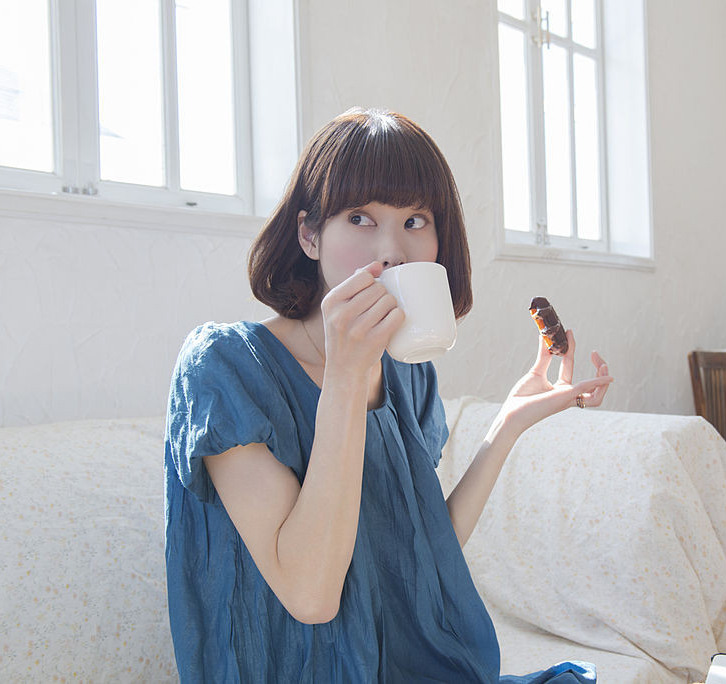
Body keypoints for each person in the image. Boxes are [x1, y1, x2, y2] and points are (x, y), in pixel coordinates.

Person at [164, 107, 613, 683]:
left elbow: (418, 556)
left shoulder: (407, 375)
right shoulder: (225, 368)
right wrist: (346, 376)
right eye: (360, 218)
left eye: (415, 220)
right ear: (308, 235)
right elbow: (310, 595)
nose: (393, 250)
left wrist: (507, 426)